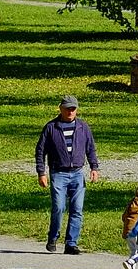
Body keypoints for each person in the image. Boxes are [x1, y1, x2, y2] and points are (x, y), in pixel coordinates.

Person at [34, 95, 101, 253]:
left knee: (77, 209)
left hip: (77, 173)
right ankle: (53, 236)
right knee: (58, 207)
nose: (71, 112)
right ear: (61, 109)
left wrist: (94, 167)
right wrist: (41, 172)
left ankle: (71, 243)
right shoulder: (51, 127)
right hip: (58, 174)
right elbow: (40, 151)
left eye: (73, 109)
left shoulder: (83, 127)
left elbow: (90, 148)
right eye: (68, 109)